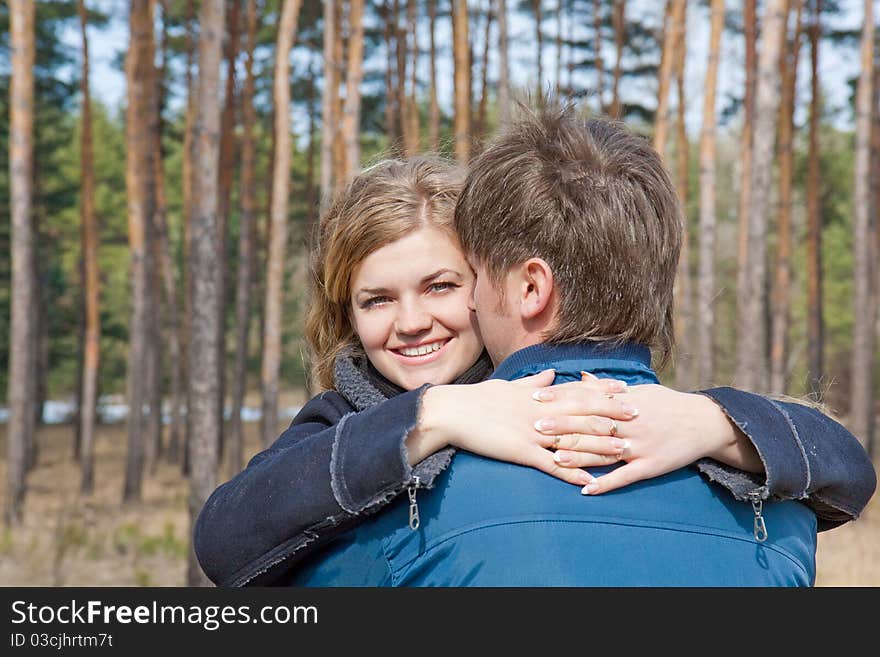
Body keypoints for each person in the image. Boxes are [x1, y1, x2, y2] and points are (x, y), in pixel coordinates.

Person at [194, 124, 876, 586]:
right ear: (343, 313)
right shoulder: (343, 421)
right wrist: (429, 417)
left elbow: (845, 464)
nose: (411, 322)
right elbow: (228, 534)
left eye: (442, 285)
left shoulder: (608, 410)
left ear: (506, 286)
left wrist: (716, 420)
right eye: (375, 300)